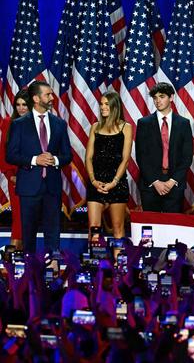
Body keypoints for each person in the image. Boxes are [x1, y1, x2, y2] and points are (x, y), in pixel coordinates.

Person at [5, 81, 72, 253]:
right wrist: (35, 160)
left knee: (53, 234)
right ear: (36, 98)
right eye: (47, 94)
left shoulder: (59, 124)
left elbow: (67, 156)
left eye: (51, 94)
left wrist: (54, 160)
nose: (52, 97)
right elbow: (11, 155)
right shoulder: (19, 124)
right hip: (28, 187)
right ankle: (29, 274)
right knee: (28, 235)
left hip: (52, 187)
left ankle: (52, 272)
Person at [135, 82, 193, 213]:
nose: (157, 101)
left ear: (171, 97)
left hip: (174, 184)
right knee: (150, 230)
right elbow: (141, 156)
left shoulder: (184, 123)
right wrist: (155, 181)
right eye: (155, 98)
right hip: (150, 185)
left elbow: (187, 157)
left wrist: (172, 181)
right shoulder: (143, 123)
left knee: (173, 229)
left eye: (162, 96)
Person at [84, 92, 132, 238]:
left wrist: (113, 182)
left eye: (106, 104)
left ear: (115, 107)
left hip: (117, 184)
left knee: (117, 228)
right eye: (101, 104)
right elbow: (88, 158)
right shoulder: (95, 127)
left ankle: (120, 261)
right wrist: (93, 181)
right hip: (96, 183)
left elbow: (125, 159)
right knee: (94, 229)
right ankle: (94, 261)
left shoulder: (126, 127)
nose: (103, 107)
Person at [0, 90, 29, 249]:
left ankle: (23, 257)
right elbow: (3, 153)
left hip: (33, 178)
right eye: (17, 105)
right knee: (18, 216)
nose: (21, 108)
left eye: (24, 104)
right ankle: (13, 255)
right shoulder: (7, 123)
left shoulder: (35, 124)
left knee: (29, 219)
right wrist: (10, 175)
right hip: (15, 178)